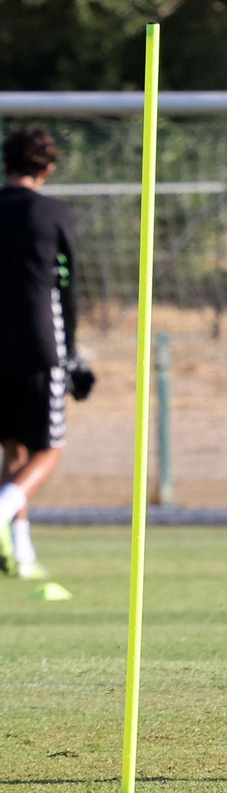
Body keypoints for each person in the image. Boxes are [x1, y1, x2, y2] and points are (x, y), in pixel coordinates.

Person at [0, 126, 94, 580]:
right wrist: (72, 351)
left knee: (12, 450)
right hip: (40, 345)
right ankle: (3, 513)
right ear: (48, 168)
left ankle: (21, 555)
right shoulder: (53, 213)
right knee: (47, 450)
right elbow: (68, 286)